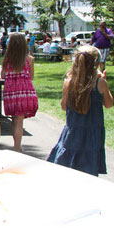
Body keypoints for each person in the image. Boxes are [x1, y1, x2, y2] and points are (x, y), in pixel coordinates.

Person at [47, 46, 113, 176]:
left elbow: (64, 106)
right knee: (89, 169)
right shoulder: (100, 83)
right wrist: (104, 81)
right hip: (92, 135)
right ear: (96, 63)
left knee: (69, 167)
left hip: (72, 132)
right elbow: (109, 104)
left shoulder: (69, 82)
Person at [1, 33, 38, 152]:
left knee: (14, 119)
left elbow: (2, 75)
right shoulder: (29, 59)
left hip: (11, 92)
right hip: (25, 91)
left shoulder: (7, 60)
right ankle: (17, 147)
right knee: (20, 121)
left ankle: (16, 146)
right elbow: (31, 77)